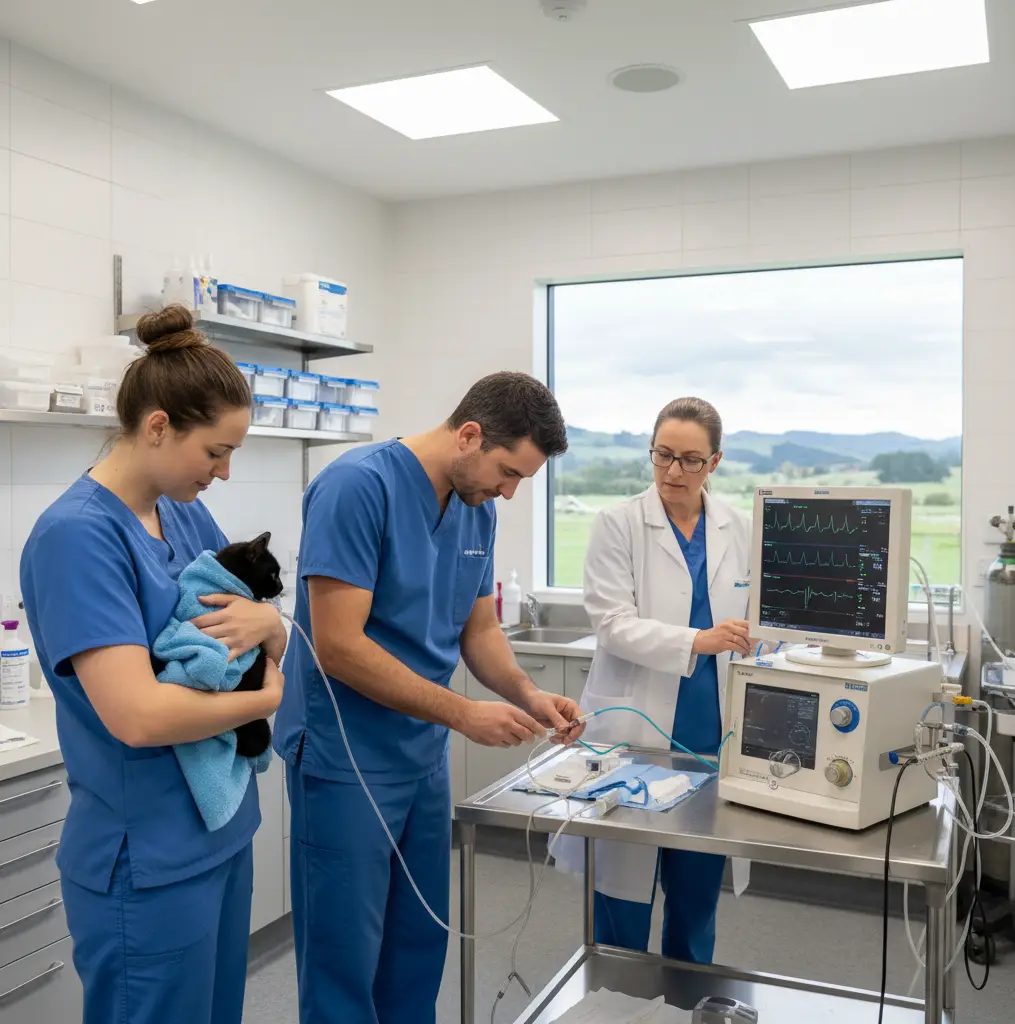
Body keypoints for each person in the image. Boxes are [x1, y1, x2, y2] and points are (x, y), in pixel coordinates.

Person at [273, 371, 584, 1024]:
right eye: (508, 472)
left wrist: (528, 693)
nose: (509, 491)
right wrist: (463, 712)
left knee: (418, 943)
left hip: (420, 756)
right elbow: (339, 646)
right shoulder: (358, 487)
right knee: (344, 960)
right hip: (345, 757)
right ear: (468, 434)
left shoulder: (477, 510)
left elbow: (479, 628)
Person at [19, 306, 287, 1024]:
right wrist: (264, 702)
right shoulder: (76, 538)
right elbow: (139, 716)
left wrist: (272, 623)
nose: (226, 473)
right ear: (159, 426)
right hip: (147, 858)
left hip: (219, 830)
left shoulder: (185, 515)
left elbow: (250, 622)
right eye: (215, 452)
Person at [556, 397, 752, 964]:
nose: (673, 471)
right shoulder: (617, 525)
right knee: (623, 908)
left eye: (690, 460)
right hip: (633, 740)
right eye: (662, 455)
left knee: (694, 908)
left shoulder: (737, 528)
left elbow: (757, 624)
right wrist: (700, 639)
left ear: (714, 463)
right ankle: (617, 1006)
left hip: (710, 742)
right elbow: (614, 626)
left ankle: (686, 1006)